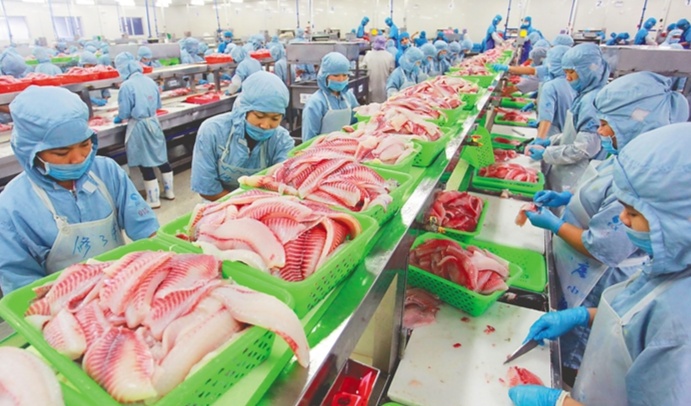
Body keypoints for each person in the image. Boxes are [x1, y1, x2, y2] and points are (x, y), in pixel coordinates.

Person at [510, 123, 691, 406]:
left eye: (633, 213)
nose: (622, 219)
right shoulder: (673, 267)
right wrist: (585, 316)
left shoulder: (680, 325)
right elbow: (636, 323)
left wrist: (559, 403)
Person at [0, 86, 159, 294]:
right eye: (61, 152)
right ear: (29, 151)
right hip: (64, 303)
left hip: (121, 287)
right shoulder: (11, 206)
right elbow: (20, 283)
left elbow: (147, 229)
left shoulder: (106, 171)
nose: (78, 159)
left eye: (85, 144)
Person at [191, 71, 294, 201]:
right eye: (259, 116)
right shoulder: (213, 130)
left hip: (265, 204)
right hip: (219, 204)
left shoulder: (282, 140)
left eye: (275, 118)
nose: (265, 125)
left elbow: (282, 184)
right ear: (244, 109)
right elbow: (207, 188)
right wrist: (242, 205)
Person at [526, 43, 608, 193]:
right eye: (565, 72)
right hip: (565, 169)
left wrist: (546, 153)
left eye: (572, 72)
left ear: (587, 71)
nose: (568, 78)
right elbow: (574, 133)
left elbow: (583, 149)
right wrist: (551, 141)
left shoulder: (591, 101)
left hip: (575, 176)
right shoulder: (584, 94)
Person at [113, 52, 174, 209]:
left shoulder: (127, 86)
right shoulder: (150, 81)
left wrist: (119, 117)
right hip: (154, 122)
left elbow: (124, 113)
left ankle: (153, 200)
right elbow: (158, 105)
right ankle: (169, 192)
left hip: (139, 126)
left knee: (145, 162)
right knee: (161, 158)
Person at [301, 52, 359, 142]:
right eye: (336, 75)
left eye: (345, 75)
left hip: (346, 146)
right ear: (325, 76)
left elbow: (357, 122)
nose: (341, 79)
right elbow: (308, 139)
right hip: (322, 149)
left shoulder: (349, 96)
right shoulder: (316, 103)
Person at [529, 46, 576, 139]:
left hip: (551, 135)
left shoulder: (551, 86)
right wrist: (535, 102)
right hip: (566, 135)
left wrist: (539, 140)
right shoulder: (573, 82)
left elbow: (546, 117)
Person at [362, 35, 395, 103]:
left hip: (371, 90)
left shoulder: (368, 55)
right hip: (384, 91)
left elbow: (362, 70)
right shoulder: (389, 56)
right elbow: (392, 73)